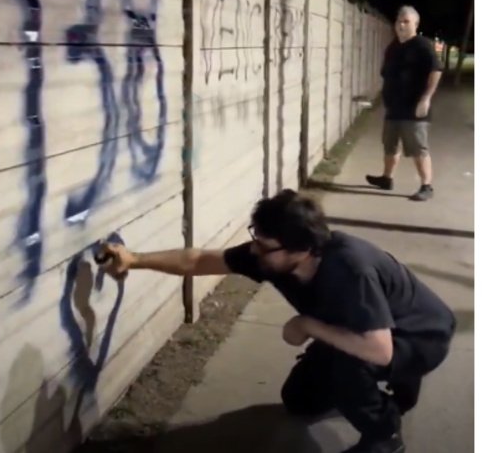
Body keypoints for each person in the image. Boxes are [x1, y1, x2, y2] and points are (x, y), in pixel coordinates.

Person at [98, 190, 457, 453]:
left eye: (264, 245)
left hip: (418, 336)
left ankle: (385, 435)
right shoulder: (273, 255)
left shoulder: (349, 271)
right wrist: (135, 259)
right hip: (370, 327)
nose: (255, 250)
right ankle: (390, 388)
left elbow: (379, 350)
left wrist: (308, 326)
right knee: (299, 401)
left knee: (349, 362)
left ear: (302, 249)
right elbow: (200, 260)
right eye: (257, 240)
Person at [366, 6, 444, 202]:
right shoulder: (393, 47)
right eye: (399, 21)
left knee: (418, 148)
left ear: (415, 25)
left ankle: (427, 186)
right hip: (394, 108)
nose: (401, 25)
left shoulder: (422, 45)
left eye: (406, 22)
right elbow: (387, 75)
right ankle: (387, 179)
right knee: (390, 146)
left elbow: (436, 70)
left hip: (414, 109)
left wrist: (426, 98)